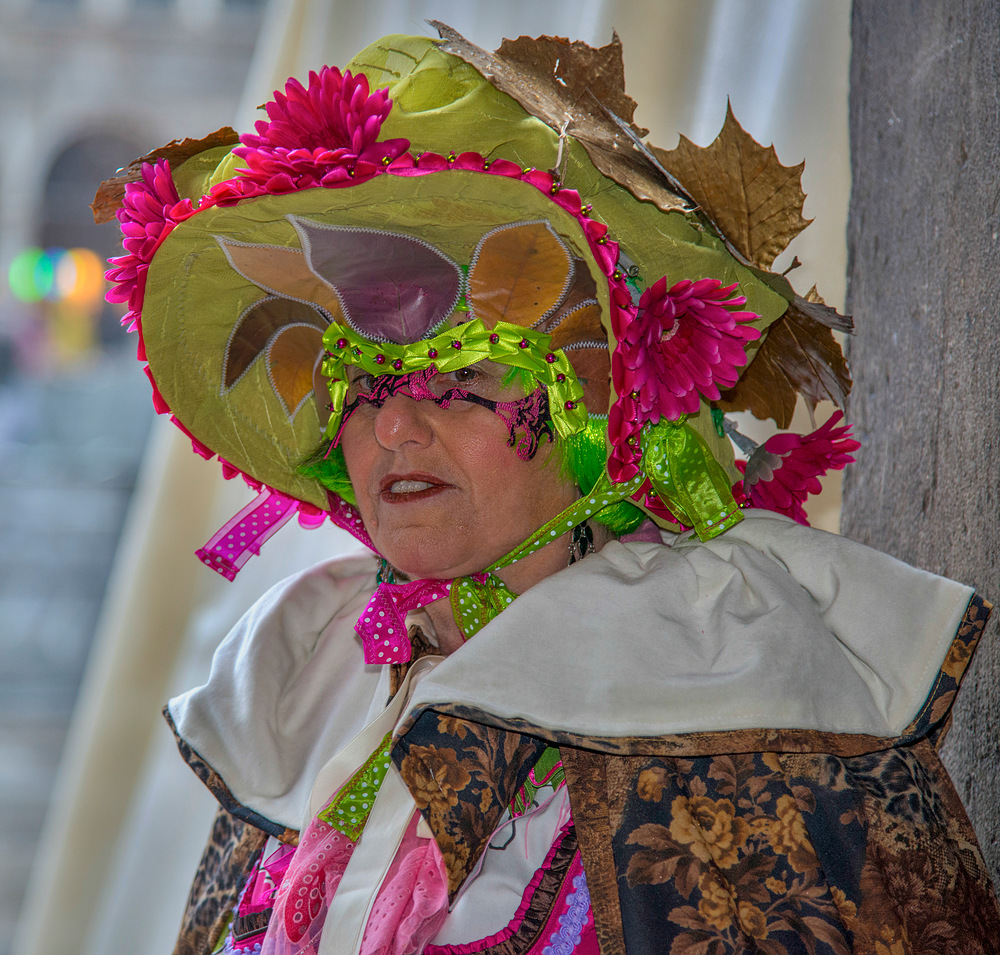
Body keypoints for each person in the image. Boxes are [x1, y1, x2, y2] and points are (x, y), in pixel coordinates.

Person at [96, 28, 999, 955]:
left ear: (597, 413)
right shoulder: (308, 685)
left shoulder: (725, 679)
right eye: (363, 384)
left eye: (461, 375)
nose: (395, 427)